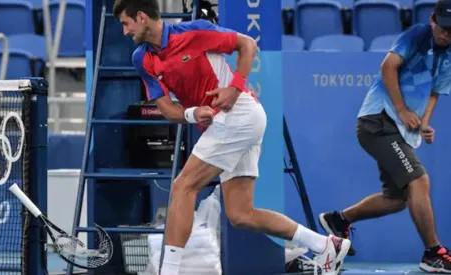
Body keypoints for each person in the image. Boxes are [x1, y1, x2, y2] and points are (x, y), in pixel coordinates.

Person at [112, 0, 351, 274]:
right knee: (240, 214)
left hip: (239, 113)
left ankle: (169, 271)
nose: (124, 32)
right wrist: (191, 114)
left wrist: (234, 88)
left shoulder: (194, 32)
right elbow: (165, 107)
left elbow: (247, 44)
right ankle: (325, 244)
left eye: (125, 23)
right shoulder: (141, 59)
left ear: (141, 17)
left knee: (183, 186)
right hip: (227, 122)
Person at [319, 0, 451, 272]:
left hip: (397, 129)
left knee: (397, 199)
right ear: (432, 20)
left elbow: (435, 92)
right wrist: (402, 110)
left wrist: (424, 122)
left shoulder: (449, 55)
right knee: (419, 180)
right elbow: (387, 67)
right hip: (377, 121)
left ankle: (340, 220)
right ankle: (433, 253)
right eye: (443, 27)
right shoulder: (416, 35)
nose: (446, 33)